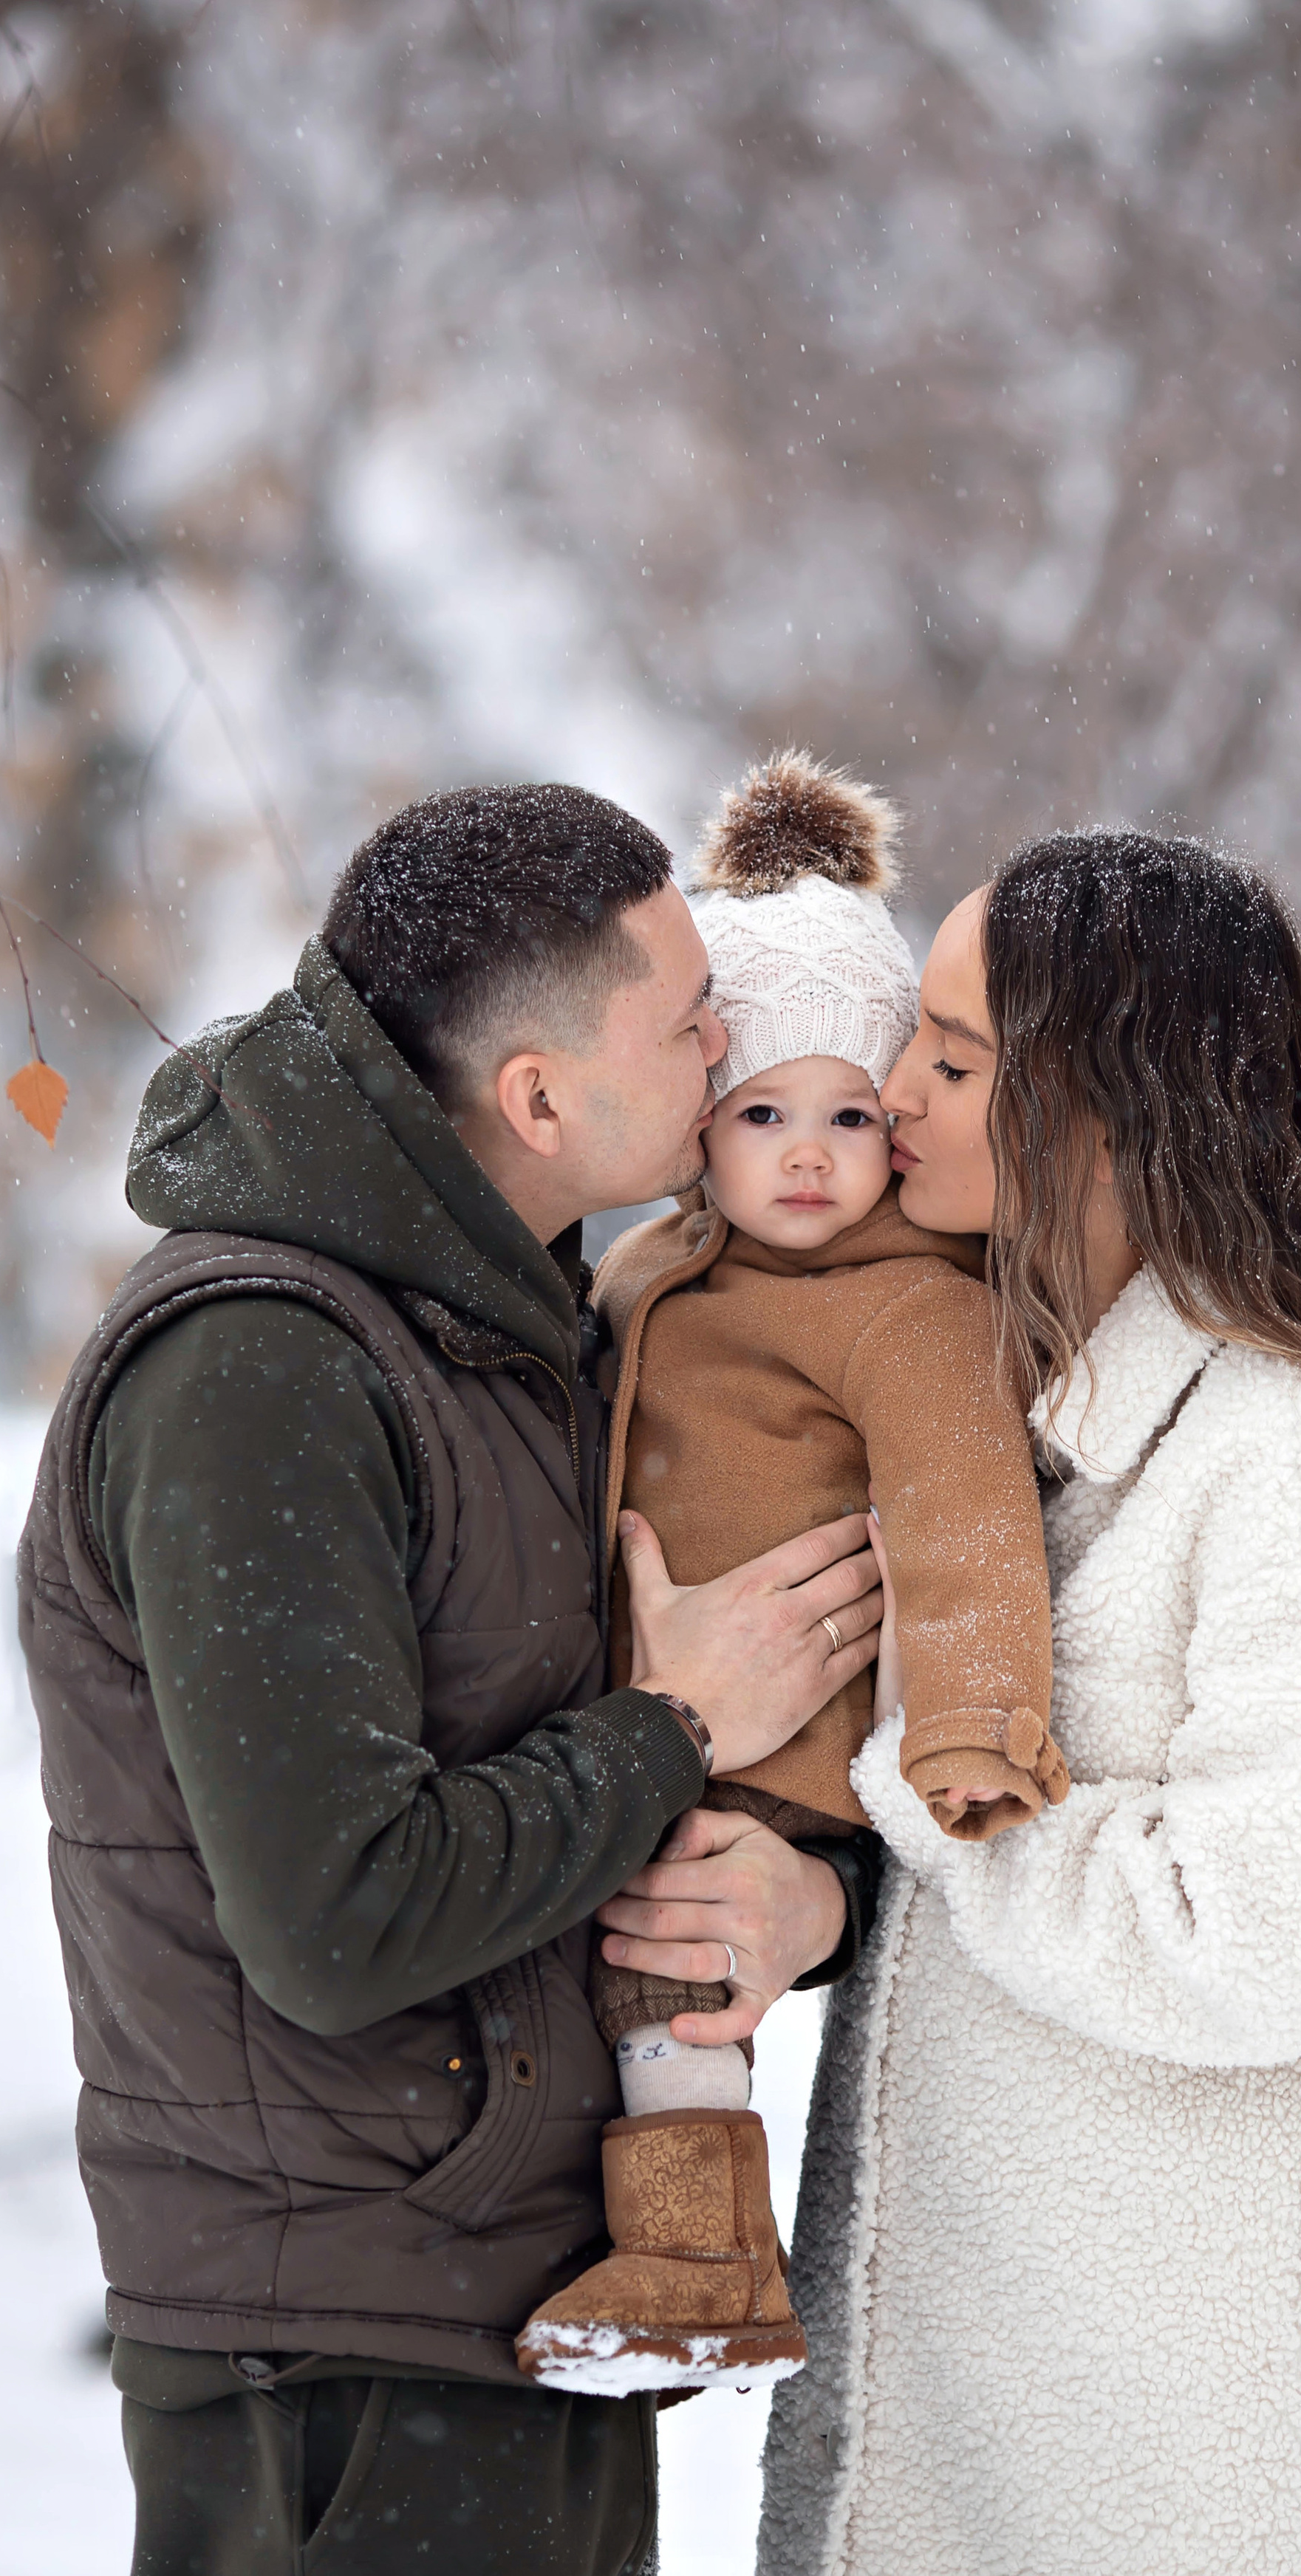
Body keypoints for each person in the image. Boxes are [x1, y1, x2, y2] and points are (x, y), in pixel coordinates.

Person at [16, 782, 887, 2576]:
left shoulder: (524, 1335)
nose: (730, 1041)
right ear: (538, 1095)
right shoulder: (258, 1368)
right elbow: (340, 1915)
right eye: (688, 1016)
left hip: (506, 2318)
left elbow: (584, 1796)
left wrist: (806, 1890)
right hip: (329, 2369)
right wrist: (674, 1726)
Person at [758, 829, 1301, 2576]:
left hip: (1199, 2489)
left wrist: (930, 1782)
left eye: (952, 1060)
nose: (892, 1095)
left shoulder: (1287, 1463)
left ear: (1110, 1109)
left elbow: (1280, 1926)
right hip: (1019, 2449)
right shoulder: (1034, 1438)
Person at [518, 754, 1063, 2396]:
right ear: (704, 1126)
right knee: (622, 1973)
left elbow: (966, 1521)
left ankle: (697, 2273)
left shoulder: (909, 1306)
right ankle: (681, 2260)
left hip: (780, 1745)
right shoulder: (649, 1269)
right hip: (649, 1720)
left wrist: (974, 1723)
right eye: (764, 1113)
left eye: (849, 1114)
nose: (811, 1156)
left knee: (678, 1975)